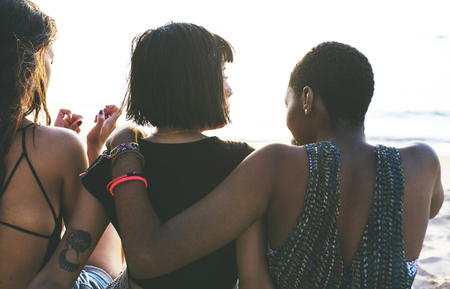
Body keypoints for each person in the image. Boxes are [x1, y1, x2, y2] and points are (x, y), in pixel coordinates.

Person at [105, 41, 444, 288]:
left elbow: (149, 257)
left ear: (307, 99)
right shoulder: (422, 164)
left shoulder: (278, 164)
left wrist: (125, 149)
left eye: (288, 103)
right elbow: (426, 210)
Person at [27, 22, 274, 289]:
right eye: (222, 76)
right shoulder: (244, 164)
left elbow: (55, 278)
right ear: (197, 83)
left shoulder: (110, 165)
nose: (230, 90)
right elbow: (253, 280)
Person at [0, 1, 122, 288]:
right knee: (103, 269)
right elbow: (82, 245)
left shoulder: (51, 146)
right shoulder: (60, 148)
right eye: (50, 60)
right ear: (29, 65)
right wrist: (92, 150)